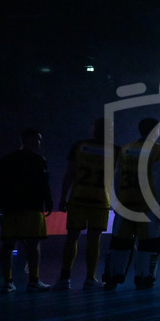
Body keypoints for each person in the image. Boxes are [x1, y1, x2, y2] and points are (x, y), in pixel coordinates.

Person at [103, 117, 160, 290]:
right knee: (149, 244)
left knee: (119, 243)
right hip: (148, 206)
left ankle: (111, 278)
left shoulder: (126, 149)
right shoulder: (159, 151)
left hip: (125, 204)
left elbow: (116, 176)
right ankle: (143, 279)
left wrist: (116, 201)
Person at [54, 118, 119, 290]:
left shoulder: (80, 146)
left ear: (93, 129)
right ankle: (90, 279)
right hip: (100, 200)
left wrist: (63, 197)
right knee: (94, 239)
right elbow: (119, 179)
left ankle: (64, 278)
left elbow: (69, 173)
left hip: (78, 198)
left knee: (72, 237)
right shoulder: (115, 150)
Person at [0, 128, 54, 292]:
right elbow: (44, 184)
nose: (40, 142)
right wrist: (48, 201)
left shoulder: (6, 159)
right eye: (37, 139)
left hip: (11, 208)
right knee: (33, 244)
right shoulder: (38, 160)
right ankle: (34, 280)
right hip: (33, 207)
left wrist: (3, 205)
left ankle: (8, 281)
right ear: (28, 139)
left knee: (8, 244)